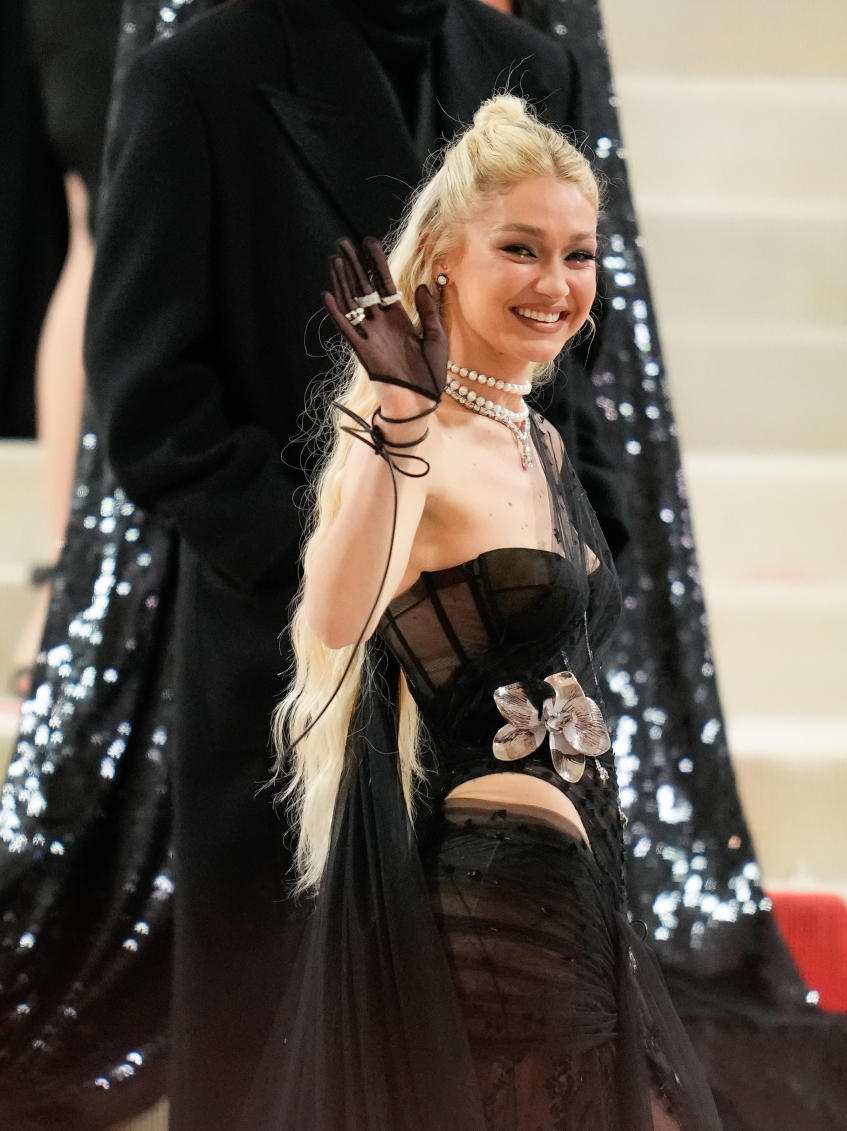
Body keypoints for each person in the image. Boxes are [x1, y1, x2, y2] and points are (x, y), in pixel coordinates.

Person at [81, 2, 626, 1127]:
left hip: (505, 707)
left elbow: (567, 367)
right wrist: (378, 574)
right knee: (282, 1066)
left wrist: (558, 557)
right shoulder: (199, 80)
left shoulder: (538, 70)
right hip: (288, 674)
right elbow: (156, 411)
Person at [240, 92, 721, 1131]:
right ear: (447, 258)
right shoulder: (417, 438)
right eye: (522, 249)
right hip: (500, 899)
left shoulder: (536, 441)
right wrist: (403, 422)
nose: (557, 284)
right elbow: (332, 613)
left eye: (579, 255)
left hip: (581, 884)